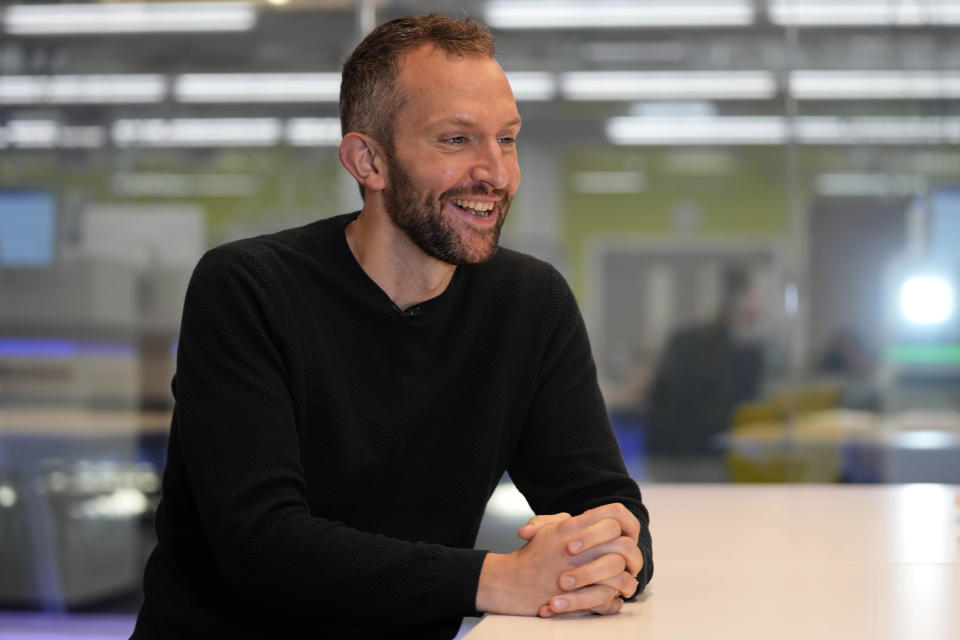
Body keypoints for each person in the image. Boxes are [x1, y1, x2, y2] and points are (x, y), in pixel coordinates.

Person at [131, 15, 652, 640]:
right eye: (457, 140)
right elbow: (261, 541)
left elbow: (608, 506)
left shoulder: (529, 302)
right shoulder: (247, 288)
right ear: (368, 160)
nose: (496, 173)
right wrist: (496, 578)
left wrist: (607, 552)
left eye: (507, 139)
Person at [645, 267, 765, 457]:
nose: (759, 306)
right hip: (705, 457)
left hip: (671, 453)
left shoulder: (681, 340)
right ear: (738, 301)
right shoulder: (743, 353)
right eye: (755, 297)